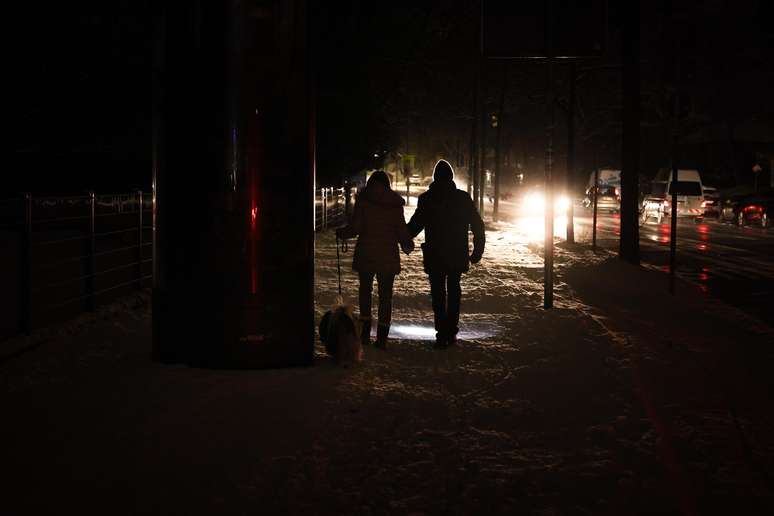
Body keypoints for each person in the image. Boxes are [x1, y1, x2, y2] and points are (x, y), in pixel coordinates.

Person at [407, 159, 485, 348]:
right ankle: (451, 331)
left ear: (435, 177)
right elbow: (477, 226)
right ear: (451, 177)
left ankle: (442, 332)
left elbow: (414, 227)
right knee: (454, 291)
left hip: (435, 255)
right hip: (456, 254)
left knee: (438, 294)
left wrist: (400, 236)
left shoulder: (427, 199)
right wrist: (477, 251)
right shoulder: (463, 198)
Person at [336, 171, 414, 349]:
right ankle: (382, 339)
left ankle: (364, 336)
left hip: (366, 254)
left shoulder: (363, 201)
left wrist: (342, 233)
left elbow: (355, 227)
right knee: (385, 297)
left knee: (365, 293)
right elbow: (401, 230)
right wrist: (408, 244)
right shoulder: (394, 204)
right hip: (388, 256)